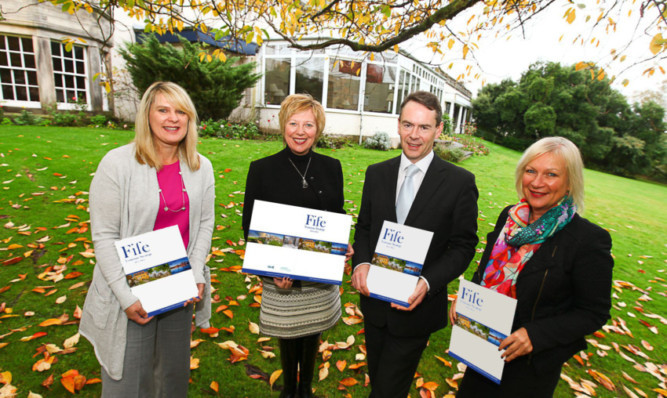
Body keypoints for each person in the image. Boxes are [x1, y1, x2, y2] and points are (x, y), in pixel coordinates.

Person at [79, 81, 215, 397]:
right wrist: (127, 297)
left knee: (171, 378)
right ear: (147, 115)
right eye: (163, 110)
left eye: (181, 111)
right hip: (128, 290)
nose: (173, 118)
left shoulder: (200, 167)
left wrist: (195, 272)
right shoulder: (117, 164)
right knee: (129, 381)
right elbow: (104, 236)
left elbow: (204, 224)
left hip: (177, 287)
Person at [451, 136, 614, 397]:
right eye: (531, 171)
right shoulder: (509, 217)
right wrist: (467, 296)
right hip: (482, 351)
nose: (537, 183)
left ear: (570, 182)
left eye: (551, 174)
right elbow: (486, 270)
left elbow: (593, 311)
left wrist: (535, 335)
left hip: (528, 371)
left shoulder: (587, 240)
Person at [351, 91, 479, 397]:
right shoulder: (377, 174)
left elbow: (463, 246)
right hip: (375, 304)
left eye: (424, 127)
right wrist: (362, 263)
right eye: (408, 125)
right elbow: (366, 227)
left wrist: (427, 282)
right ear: (397, 125)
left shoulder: (460, 182)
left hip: (417, 309)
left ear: (438, 130)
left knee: (389, 388)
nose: (414, 135)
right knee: (379, 375)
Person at [242, 93, 352, 398]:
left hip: (318, 276)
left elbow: (336, 215)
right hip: (281, 278)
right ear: (283, 125)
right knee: (289, 335)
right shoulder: (262, 169)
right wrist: (270, 272)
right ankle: (290, 389)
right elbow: (250, 226)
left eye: (308, 124)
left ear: (318, 129)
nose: (300, 131)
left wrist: (343, 243)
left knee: (311, 332)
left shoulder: (332, 167)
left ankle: (305, 389)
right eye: (293, 123)